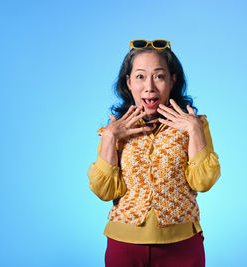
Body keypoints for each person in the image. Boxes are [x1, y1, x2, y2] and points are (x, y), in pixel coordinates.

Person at [88, 40, 220, 267]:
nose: (149, 86)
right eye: (140, 76)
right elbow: (104, 191)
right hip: (124, 247)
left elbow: (203, 182)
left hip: (182, 246)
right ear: (128, 82)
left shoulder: (195, 126)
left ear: (172, 80)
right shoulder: (113, 130)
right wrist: (110, 137)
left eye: (159, 76)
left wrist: (194, 130)